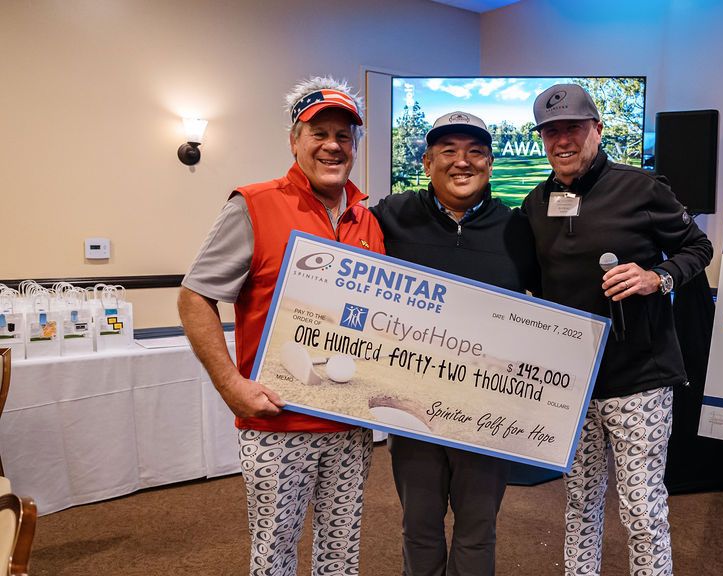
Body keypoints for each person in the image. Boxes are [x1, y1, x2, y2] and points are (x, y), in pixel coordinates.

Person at [178, 76, 384, 576]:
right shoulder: (253, 203)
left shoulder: (368, 220)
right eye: (319, 134)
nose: (333, 146)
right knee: (275, 555)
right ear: (295, 140)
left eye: (344, 135)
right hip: (277, 420)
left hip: (350, 425)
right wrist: (231, 385)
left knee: (341, 557)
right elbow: (194, 297)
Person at [521, 84, 713, 576]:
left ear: (597, 130)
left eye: (573, 129)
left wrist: (657, 277)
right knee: (580, 502)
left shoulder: (643, 188)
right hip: (573, 383)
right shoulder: (535, 203)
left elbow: (698, 248)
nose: (562, 141)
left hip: (639, 378)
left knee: (642, 509)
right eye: (551, 132)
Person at [369, 111, 537, 576]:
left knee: (477, 532)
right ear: (426, 163)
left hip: (487, 414)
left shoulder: (518, 229)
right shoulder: (389, 217)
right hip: (412, 409)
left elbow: (548, 312)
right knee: (419, 529)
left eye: (476, 152)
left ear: (490, 164)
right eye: (449, 151)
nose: (462, 162)